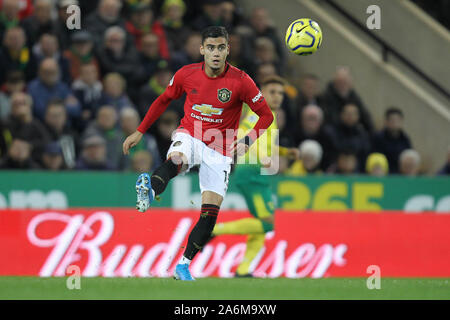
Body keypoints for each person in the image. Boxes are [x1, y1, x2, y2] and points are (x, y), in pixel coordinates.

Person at [122, 26, 274, 281]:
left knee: (210, 212)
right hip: (190, 134)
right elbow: (163, 100)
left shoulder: (241, 81)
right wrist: (140, 131)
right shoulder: (186, 74)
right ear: (202, 49)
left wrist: (248, 139)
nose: (216, 53)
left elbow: (266, 115)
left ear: (228, 50)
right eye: (211, 48)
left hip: (220, 149)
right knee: (178, 160)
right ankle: (149, 191)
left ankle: (183, 265)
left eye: (221, 48)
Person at [210, 76, 299, 277]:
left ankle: (243, 269)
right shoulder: (256, 113)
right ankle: (215, 229)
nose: (277, 97)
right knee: (267, 223)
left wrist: (285, 152)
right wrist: (262, 156)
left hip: (257, 173)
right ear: (262, 93)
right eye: (272, 92)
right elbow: (243, 133)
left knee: (261, 224)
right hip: (250, 171)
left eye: (281, 93)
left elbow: (264, 143)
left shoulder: (271, 116)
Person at [371, 107, 412, 174]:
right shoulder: (378, 138)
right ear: (386, 121)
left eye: (397, 120)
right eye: (392, 120)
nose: (395, 123)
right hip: (383, 174)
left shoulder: (405, 139)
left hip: (401, 174)